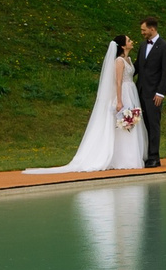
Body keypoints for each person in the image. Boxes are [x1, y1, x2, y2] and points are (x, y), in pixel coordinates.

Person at [24, 35, 144, 173]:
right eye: (129, 41)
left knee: (131, 122)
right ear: (123, 46)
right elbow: (118, 81)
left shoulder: (128, 60)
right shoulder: (119, 61)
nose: (131, 42)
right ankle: (122, 158)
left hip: (131, 92)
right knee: (122, 122)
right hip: (123, 92)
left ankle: (130, 156)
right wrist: (119, 100)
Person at [136, 16, 166, 166]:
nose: (142, 33)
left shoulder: (164, 46)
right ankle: (145, 154)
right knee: (142, 125)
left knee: (153, 124)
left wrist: (160, 92)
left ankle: (154, 157)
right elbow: (138, 66)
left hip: (154, 94)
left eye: (144, 30)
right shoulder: (143, 46)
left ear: (152, 29)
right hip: (140, 91)